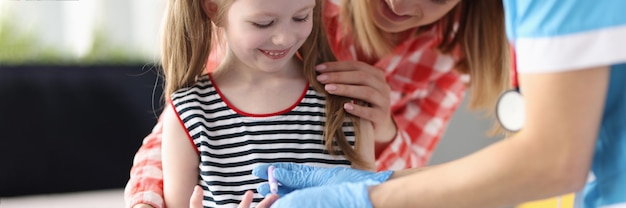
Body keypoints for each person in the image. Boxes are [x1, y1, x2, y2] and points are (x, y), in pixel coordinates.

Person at [124, 0, 510, 207]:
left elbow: (395, 189)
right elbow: (180, 138)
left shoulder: (451, 57)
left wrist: (385, 132)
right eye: (265, 24)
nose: (400, 2)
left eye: (300, 17)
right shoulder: (263, 24)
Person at [252, 0, 626, 207]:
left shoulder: (453, 49)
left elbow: (555, 161)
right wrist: (375, 185)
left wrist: (366, 196)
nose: (400, 4)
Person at [158, 0, 377, 207]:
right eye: (263, 23)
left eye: (301, 17)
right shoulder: (189, 112)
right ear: (214, 9)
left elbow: (370, 198)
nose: (284, 38)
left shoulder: (347, 100)